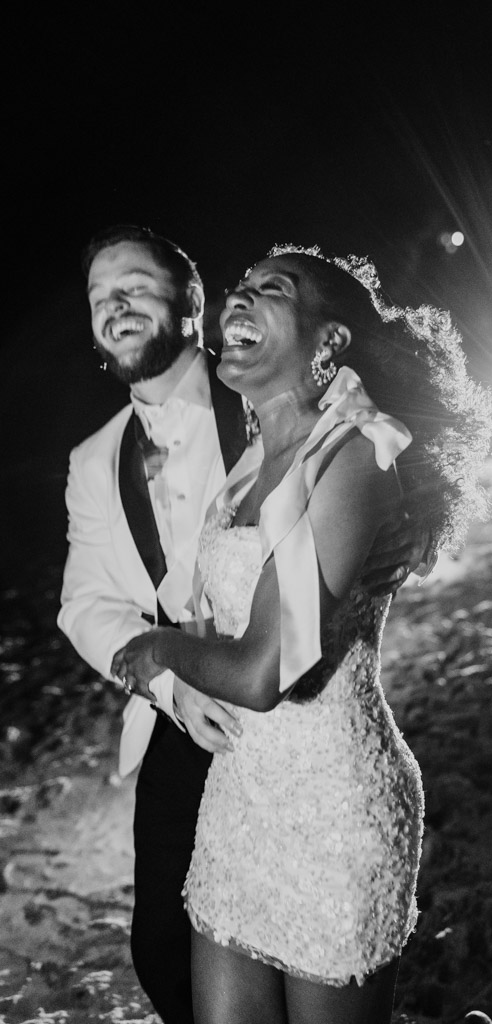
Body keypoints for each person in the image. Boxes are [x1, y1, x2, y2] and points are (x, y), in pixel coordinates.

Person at [114, 245, 492, 1024]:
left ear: (329, 342)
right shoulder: (252, 461)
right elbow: (224, 617)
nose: (238, 301)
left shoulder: (352, 455)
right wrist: (178, 660)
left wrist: (153, 650)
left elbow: (261, 671)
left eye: (271, 291)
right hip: (238, 802)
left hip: (333, 811)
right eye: (240, 288)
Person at [58, 227, 420, 1024]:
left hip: (322, 781)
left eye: (135, 284)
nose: (114, 303)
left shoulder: (293, 416)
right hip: (208, 755)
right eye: (97, 294)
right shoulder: (101, 458)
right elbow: (84, 600)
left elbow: (275, 651)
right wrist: (159, 675)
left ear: (191, 306)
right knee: (160, 953)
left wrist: (159, 644)